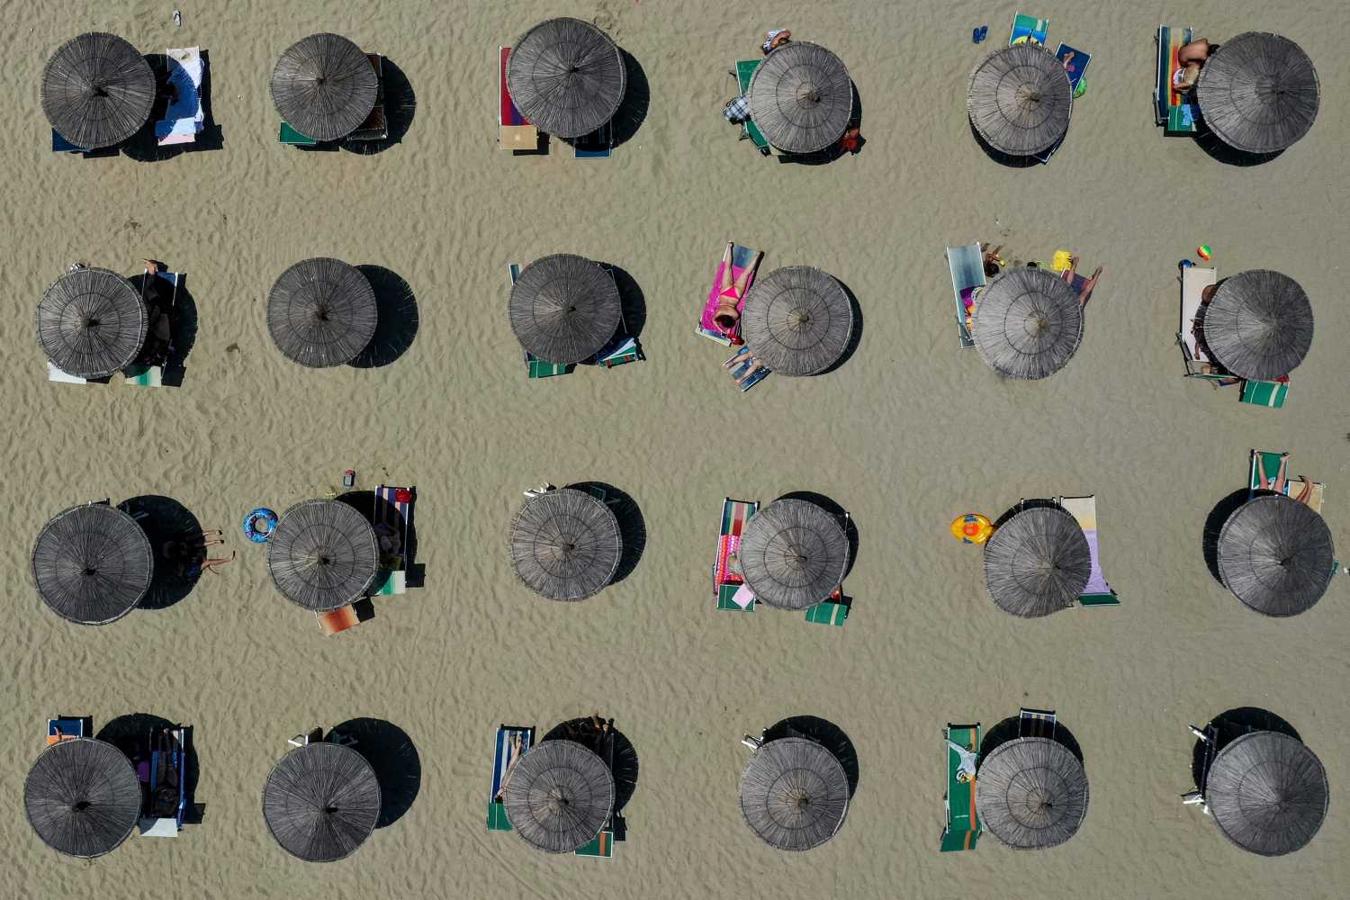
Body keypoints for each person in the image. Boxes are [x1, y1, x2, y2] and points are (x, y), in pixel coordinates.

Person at [712, 241, 764, 333]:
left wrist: (727, 329)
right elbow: (714, 322)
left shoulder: (735, 315)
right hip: (725, 293)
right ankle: (729, 246)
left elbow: (735, 320)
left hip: (735, 295)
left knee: (746, 273)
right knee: (727, 267)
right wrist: (721, 329)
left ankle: (757, 256)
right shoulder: (718, 314)